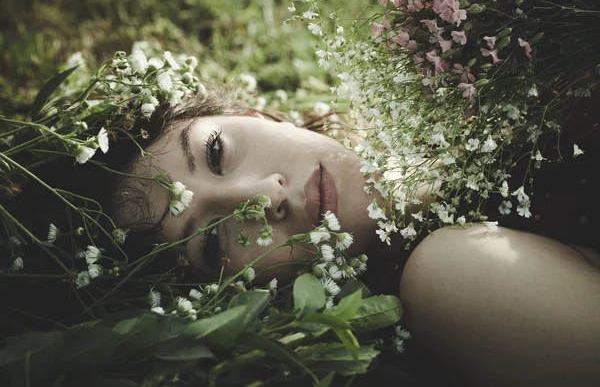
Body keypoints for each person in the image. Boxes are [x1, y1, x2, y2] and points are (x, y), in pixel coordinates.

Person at [105, 88, 600, 386]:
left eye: (216, 153)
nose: (263, 195)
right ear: (231, 298)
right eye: (213, 241)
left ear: (253, 116)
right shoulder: (452, 276)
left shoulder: (461, 74)